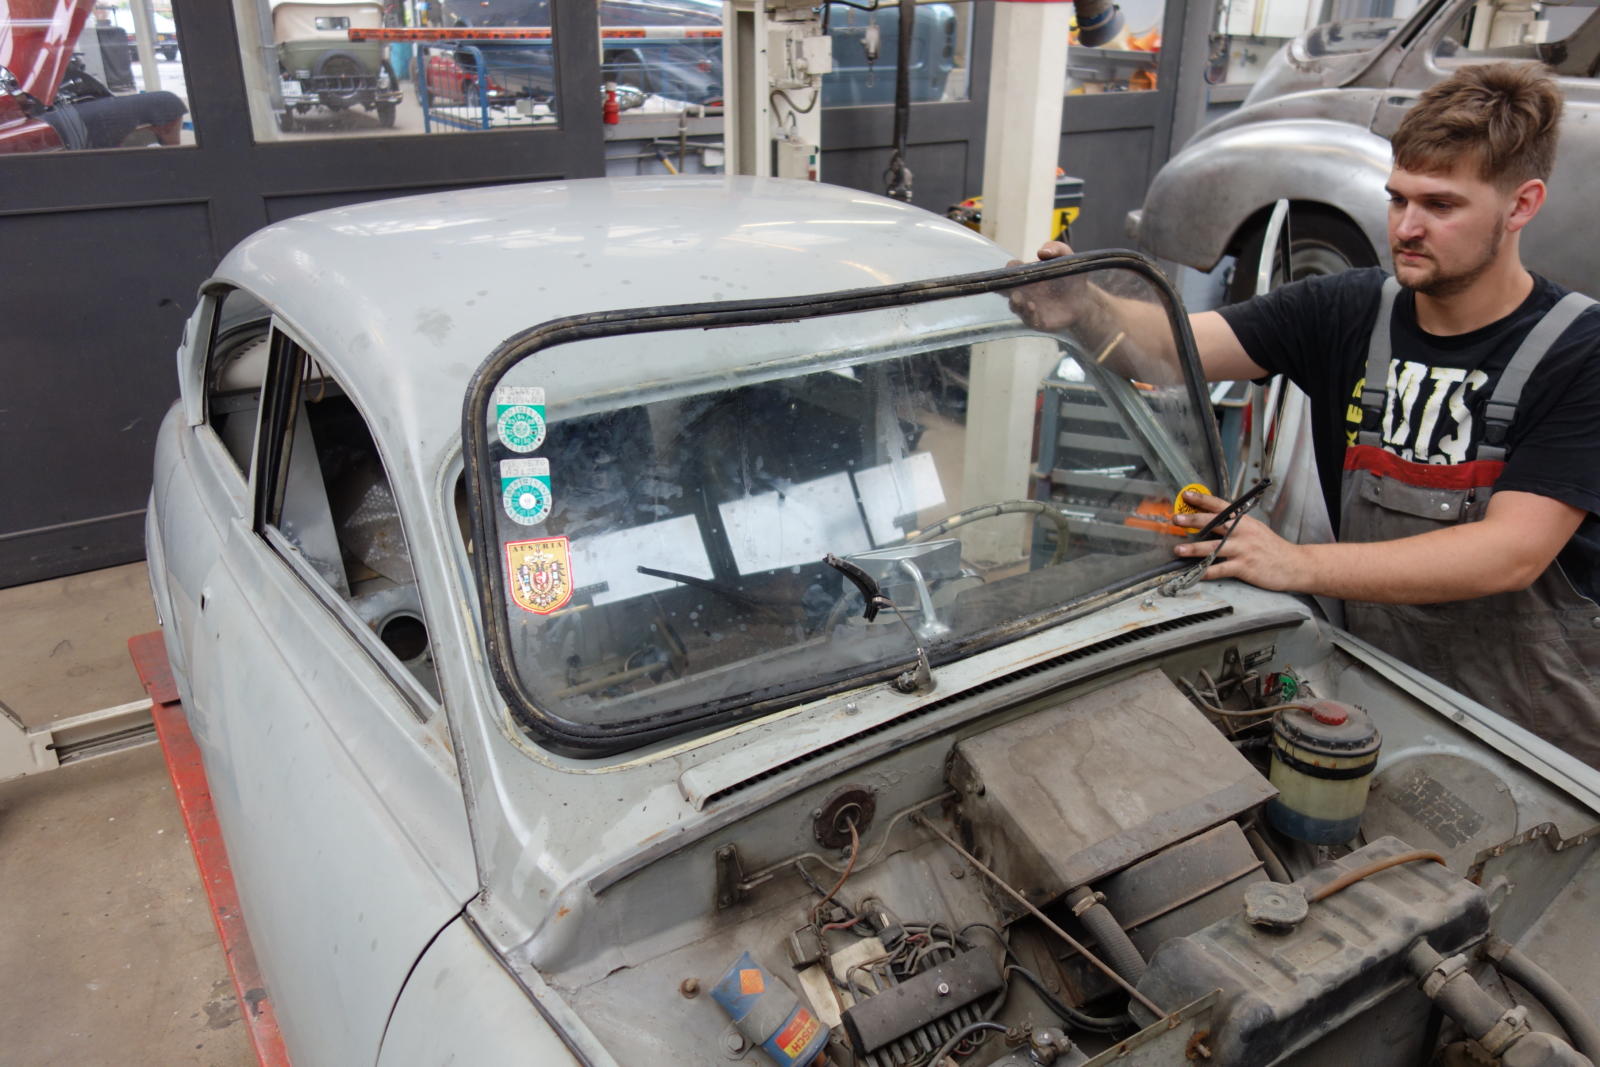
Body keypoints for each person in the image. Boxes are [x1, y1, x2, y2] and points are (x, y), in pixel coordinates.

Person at [1017, 62, 1600, 764]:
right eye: (1397, 198)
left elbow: (1510, 553)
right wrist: (1087, 308)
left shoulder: (1579, 352)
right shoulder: (1348, 310)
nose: (1407, 227)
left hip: (1537, 742)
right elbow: (1172, 349)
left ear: (1521, 205)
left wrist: (1295, 563)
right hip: (1385, 697)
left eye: (1441, 205)